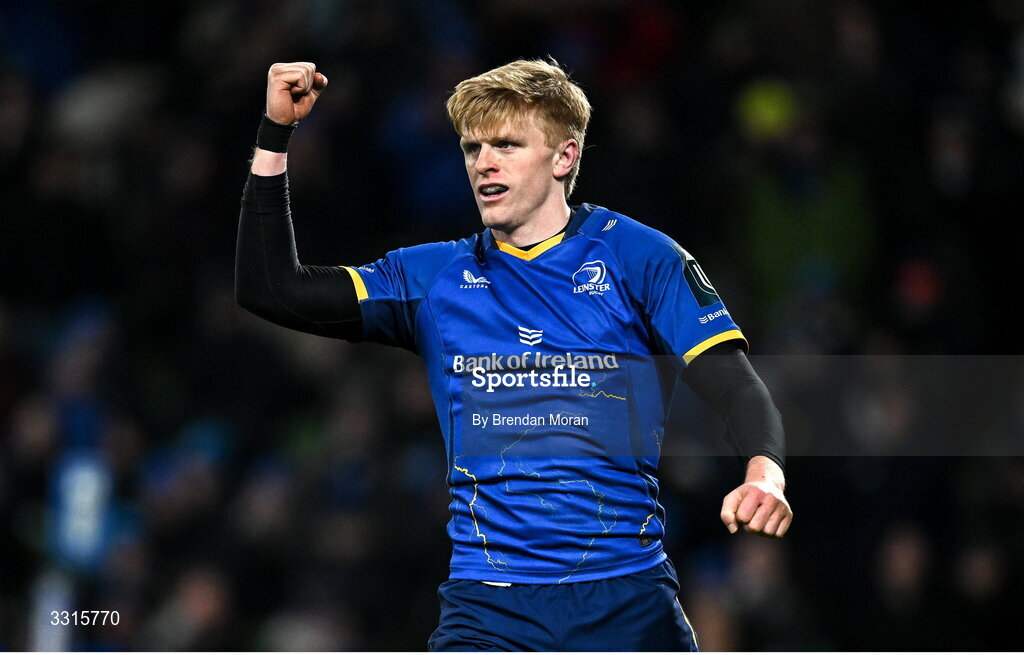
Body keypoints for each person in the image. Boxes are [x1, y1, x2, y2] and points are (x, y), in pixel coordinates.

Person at [236, 59, 792, 651]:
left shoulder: (639, 259)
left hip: (623, 603)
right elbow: (272, 290)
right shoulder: (436, 278)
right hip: (489, 609)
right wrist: (276, 133)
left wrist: (765, 470)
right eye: (472, 147)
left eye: (506, 143)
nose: (484, 162)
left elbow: (733, 384)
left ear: (564, 157)